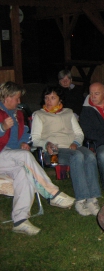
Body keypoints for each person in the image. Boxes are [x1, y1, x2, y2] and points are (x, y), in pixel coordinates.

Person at [0, 81, 75, 235]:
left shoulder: (18, 114)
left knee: (23, 174)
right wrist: (2, 128)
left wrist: (24, 143)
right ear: (7, 97)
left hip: (10, 157)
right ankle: (52, 193)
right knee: (25, 157)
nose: (19, 102)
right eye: (17, 98)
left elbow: (26, 134)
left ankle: (20, 220)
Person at [31, 86, 101, 216]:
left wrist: (75, 142)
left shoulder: (68, 112)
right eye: (46, 98)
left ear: (60, 99)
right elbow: (34, 139)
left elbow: (79, 133)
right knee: (77, 156)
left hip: (73, 147)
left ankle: (93, 199)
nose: (48, 101)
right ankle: (81, 200)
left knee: (90, 156)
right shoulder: (39, 115)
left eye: (53, 98)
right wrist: (46, 144)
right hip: (53, 153)